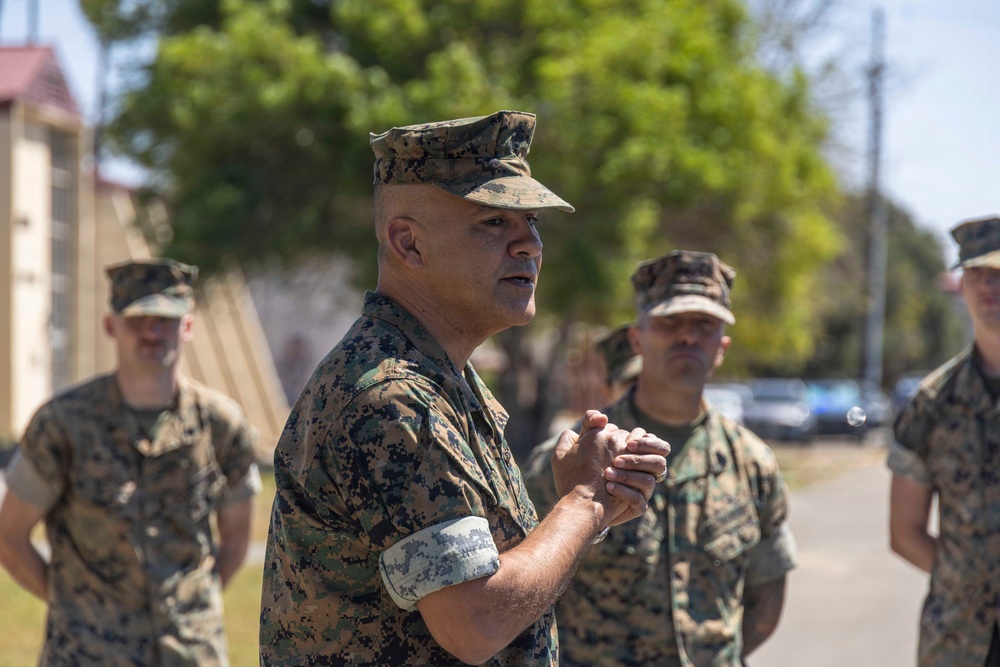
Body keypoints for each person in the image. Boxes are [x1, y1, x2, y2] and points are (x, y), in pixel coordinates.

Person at [258, 110, 669, 666]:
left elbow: (483, 576)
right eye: (494, 222)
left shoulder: (442, 380)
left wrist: (590, 509)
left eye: (532, 224)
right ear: (409, 244)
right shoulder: (393, 397)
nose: (529, 245)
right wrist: (584, 502)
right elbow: (475, 621)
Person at [524, 250, 798, 666]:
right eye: (670, 322)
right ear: (638, 339)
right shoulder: (577, 457)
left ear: (721, 347)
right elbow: (521, 587)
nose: (688, 337)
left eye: (704, 325)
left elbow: (766, 595)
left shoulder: (753, 463)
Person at [0, 259, 262, 666]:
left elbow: (236, 541)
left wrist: (191, 612)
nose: (152, 331)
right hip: (87, 655)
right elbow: (10, 537)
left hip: (189, 655)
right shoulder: (64, 424)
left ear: (187, 327)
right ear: (111, 325)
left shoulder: (221, 425)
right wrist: (75, 608)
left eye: (165, 319)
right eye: (137, 318)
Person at [889, 214, 1000, 666]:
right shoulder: (931, 402)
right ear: (962, 284)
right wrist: (974, 585)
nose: (990, 285)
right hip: (958, 641)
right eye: (977, 273)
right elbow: (905, 533)